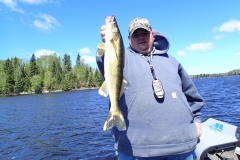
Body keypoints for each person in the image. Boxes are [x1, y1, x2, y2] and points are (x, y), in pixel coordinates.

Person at [96, 17, 204, 160]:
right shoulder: (123, 56)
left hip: (183, 147)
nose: (141, 37)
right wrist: (108, 43)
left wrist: (197, 119)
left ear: (152, 35)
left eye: (145, 33)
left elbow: (192, 95)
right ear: (128, 39)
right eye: (136, 35)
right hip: (136, 150)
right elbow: (105, 61)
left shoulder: (172, 61)